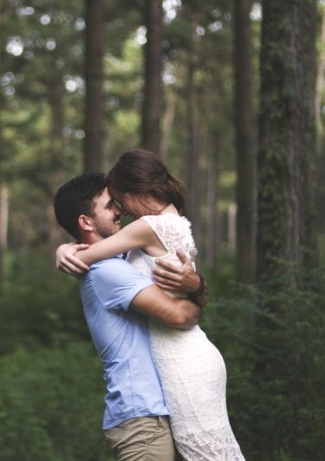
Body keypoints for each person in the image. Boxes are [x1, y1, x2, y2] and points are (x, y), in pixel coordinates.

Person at [56, 149, 244, 461]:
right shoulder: (108, 269)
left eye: (118, 199)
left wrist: (196, 285)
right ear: (86, 221)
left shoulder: (125, 252)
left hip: (162, 397)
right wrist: (64, 250)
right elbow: (181, 314)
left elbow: (183, 302)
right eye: (110, 204)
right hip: (141, 411)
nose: (119, 209)